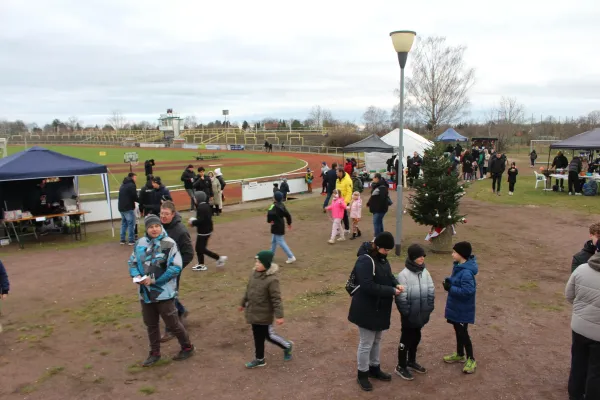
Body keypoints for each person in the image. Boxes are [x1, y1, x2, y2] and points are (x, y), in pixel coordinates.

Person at [128, 214, 195, 367]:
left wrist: (156, 281)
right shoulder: (140, 243)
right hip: (145, 293)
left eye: (157, 226)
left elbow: (175, 267)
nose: (154, 229)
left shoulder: (169, 244)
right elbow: (131, 262)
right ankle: (155, 353)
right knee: (151, 325)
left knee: (173, 323)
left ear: (161, 226)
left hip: (164, 293)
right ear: (146, 228)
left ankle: (187, 347)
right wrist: (137, 275)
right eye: (151, 226)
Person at [348, 232, 404, 392]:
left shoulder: (382, 259)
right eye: (385, 249)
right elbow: (367, 286)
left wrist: (396, 283)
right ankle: (362, 374)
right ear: (377, 246)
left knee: (377, 339)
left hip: (380, 307)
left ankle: (374, 368)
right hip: (366, 308)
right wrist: (391, 290)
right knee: (366, 342)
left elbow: (388, 275)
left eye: (388, 250)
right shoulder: (365, 260)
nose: (387, 252)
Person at [239, 250, 293, 368]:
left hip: (264, 315)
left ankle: (287, 346)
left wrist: (279, 315)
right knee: (257, 337)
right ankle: (260, 359)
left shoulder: (272, 280)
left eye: (259, 262)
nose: (256, 264)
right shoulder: (253, 274)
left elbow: (276, 299)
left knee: (269, 336)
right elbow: (248, 290)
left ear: (267, 264)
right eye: (256, 261)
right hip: (253, 312)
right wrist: (243, 303)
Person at [394, 244, 434, 380]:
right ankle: (401, 365)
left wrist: (428, 308)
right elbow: (401, 298)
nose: (422, 258)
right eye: (419, 256)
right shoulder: (403, 275)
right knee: (405, 339)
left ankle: (411, 361)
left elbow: (431, 290)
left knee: (416, 337)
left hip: (421, 314)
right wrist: (407, 313)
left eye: (423, 256)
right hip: (409, 316)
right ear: (412, 257)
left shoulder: (425, 272)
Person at [565, 251, 600, 400]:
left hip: (579, 327)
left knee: (578, 361)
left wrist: (582, 312)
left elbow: (569, 295)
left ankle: (574, 394)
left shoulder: (581, 269)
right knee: (596, 370)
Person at [159, 202, 194, 342]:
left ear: (173, 214)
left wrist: (176, 267)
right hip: (159, 269)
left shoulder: (180, 231)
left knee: (166, 299)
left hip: (172, 271)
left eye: (166, 214)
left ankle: (171, 329)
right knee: (166, 296)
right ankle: (181, 310)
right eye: (161, 213)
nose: (163, 216)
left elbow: (189, 254)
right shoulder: (159, 227)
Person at [442, 241, 478, 374]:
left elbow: (468, 291)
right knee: (458, 331)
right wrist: (449, 281)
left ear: (461, 255)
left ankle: (471, 358)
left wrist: (451, 288)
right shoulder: (459, 266)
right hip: (456, 307)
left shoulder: (467, 272)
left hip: (463, 309)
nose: (452, 254)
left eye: (454, 252)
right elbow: (457, 281)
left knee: (463, 333)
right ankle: (460, 354)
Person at [189, 192, 227, 271]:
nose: (194, 199)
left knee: (200, 249)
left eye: (195, 198)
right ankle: (202, 264)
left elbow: (201, 220)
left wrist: (193, 222)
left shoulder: (201, 208)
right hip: (207, 229)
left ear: (199, 198)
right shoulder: (206, 205)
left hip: (203, 231)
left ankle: (218, 258)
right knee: (200, 248)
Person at [267, 192, 296, 264]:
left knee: (280, 241)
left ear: (275, 198)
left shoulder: (273, 205)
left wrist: (270, 221)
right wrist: (289, 223)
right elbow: (288, 215)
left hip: (276, 226)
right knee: (274, 241)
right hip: (281, 224)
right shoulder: (282, 205)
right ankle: (270, 256)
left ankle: (291, 256)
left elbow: (269, 213)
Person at [118, 172, 138, 245]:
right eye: (135, 177)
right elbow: (134, 196)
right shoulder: (132, 185)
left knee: (124, 223)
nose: (136, 179)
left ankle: (122, 239)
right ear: (132, 177)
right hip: (128, 207)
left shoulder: (123, 185)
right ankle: (131, 240)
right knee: (131, 224)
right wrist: (140, 201)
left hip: (121, 207)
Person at [367, 173, 389, 238]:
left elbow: (382, 199)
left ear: (377, 178)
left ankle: (377, 238)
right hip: (377, 208)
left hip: (379, 209)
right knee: (379, 222)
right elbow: (373, 196)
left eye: (373, 178)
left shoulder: (381, 187)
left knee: (376, 223)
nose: (372, 179)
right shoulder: (377, 186)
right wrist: (369, 203)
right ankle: (382, 236)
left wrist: (378, 207)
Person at [336, 167, 353, 233]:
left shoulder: (348, 180)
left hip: (344, 201)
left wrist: (345, 202)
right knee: (341, 215)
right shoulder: (337, 180)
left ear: (341, 172)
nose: (336, 173)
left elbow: (349, 192)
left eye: (337, 172)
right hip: (338, 200)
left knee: (342, 215)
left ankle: (342, 229)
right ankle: (344, 228)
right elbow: (336, 190)